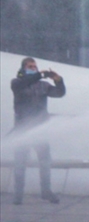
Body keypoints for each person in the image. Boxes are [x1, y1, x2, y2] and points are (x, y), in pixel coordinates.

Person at [10, 57, 66, 205]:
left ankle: (46, 191)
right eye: (30, 66)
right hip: (22, 129)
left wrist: (58, 80)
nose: (33, 68)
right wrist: (40, 74)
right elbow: (24, 83)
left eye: (35, 66)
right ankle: (18, 194)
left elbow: (59, 93)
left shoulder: (43, 85)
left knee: (45, 161)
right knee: (20, 163)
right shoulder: (17, 83)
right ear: (23, 68)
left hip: (40, 129)